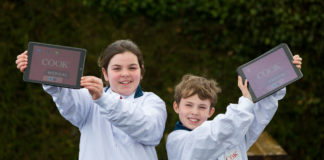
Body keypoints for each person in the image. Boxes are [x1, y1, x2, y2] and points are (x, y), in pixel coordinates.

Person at [16, 40, 167, 160]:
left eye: (132, 68)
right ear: (105, 73)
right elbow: (64, 97)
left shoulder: (153, 102)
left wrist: (103, 99)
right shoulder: (87, 97)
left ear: (141, 71)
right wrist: (39, 67)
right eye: (117, 68)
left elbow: (150, 131)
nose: (125, 74)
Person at [166, 55, 302, 160]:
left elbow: (259, 115)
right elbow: (220, 133)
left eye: (202, 107)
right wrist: (246, 102)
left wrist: (282, 72)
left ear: (211, 111)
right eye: (188, 105)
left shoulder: (231, 130)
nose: (194, 112)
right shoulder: (177, 141)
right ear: (176, 107)